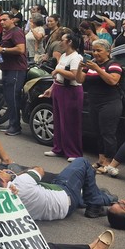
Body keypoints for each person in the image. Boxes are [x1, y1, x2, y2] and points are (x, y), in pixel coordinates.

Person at [0, 158, 113, 220]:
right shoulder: (19, 184)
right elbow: (39, 170)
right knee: (82, 163)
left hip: (58, 204)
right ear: (2, 180)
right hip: (64, 195)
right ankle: (96, 202)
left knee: (87, 193)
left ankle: (105, 199)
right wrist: (13, 176)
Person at [81, 39, 123, 172]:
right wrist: (79, 68)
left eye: (99, 50)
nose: (95, 53)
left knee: (107, 133)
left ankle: (109, 162)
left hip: (110, 103)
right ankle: (101, 160)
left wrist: (98, 69)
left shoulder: (114, 64)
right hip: (94, 102)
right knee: (97, 131)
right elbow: (79, 80)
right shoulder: (92, 64)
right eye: (94, 50)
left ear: (108, 52)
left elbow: (113, 81)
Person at [41, 31, 84, 161]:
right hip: (59, 88)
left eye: (63, 40)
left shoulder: (76, 57)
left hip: (71, 91)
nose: (60, 42)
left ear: (69, 42)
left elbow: (74, 75)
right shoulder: (64, 55)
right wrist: (51, 88)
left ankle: (73, 152)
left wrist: (59, 70)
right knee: (59, 121)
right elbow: (58, 77)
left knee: (70, 122)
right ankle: (58, 148)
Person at [0, 11, 27, 136]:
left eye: (4, 19)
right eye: (0, 20)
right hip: (6, 68)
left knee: (13, 97)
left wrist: (3, 49)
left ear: (12, 20)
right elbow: (3, 50)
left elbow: (21, 49)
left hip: (15, 70)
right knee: (9, 98)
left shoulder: (16, 32)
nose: (2, 22)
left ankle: (15, 126)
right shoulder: (6, 33)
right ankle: (12, 123)